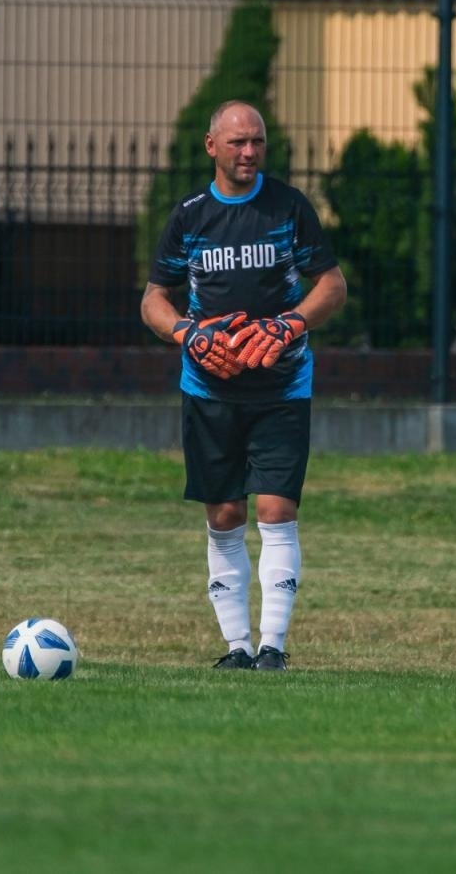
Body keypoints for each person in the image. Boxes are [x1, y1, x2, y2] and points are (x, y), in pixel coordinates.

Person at [140, 100, 347, 671]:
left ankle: (273, 648)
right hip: (209, 389)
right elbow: (153, 300)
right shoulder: (190, 216)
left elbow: (332, 286)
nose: (249, 152)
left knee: (277, 510)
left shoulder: (288, 206)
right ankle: (235, 647)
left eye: (257, 141)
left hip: (283, 384)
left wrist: (290, 323)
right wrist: (186, 333)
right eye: (237, 143)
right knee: (225, 514)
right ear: (212, 147)